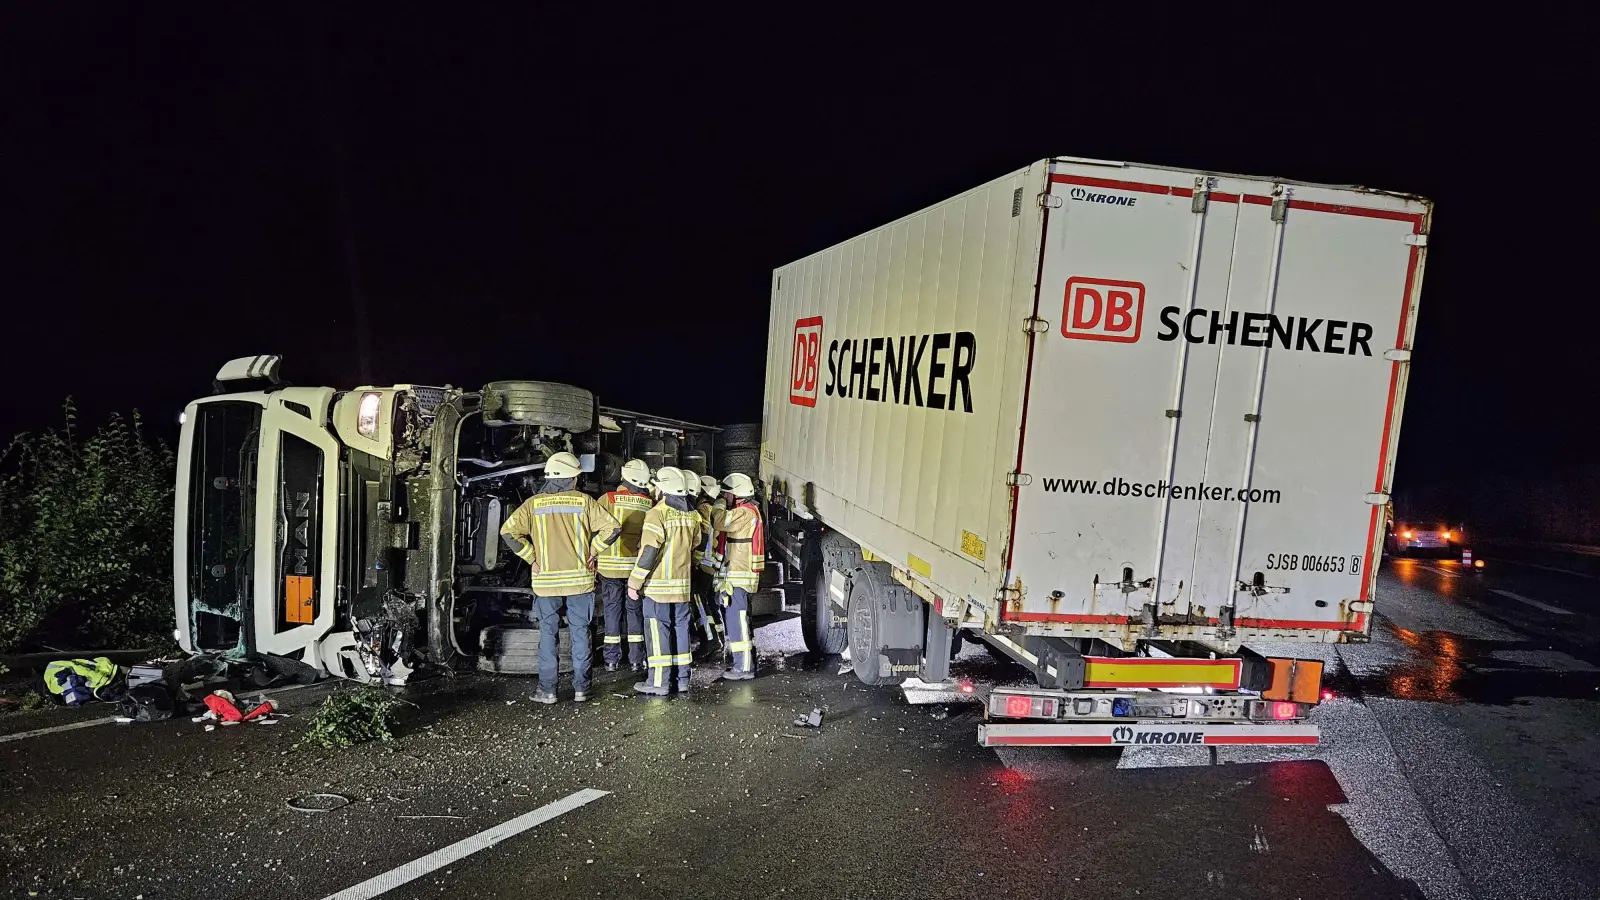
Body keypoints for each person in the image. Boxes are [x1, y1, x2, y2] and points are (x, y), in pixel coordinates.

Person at [500, 451, 622, 704]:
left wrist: (531, 556)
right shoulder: (584, 502)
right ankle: (582, 689)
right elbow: (613, 528)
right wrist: (594, 549)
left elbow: (508, 532)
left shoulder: (532, 504)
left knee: (548, 636)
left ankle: (547, 690)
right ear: (571, 479)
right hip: (579, 581)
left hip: (546, 582)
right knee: (580, 634)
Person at [628, 466, 704, 697]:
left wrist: (634, 582)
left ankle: (659, 682)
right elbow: (695, 544)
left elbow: (649, 551)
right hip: (682, 588)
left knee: (658, 631)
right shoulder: (692, 515)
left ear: (664, 488)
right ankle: (682, 680)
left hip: (658, 588)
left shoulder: (657, 513)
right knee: (681, 631)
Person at [596, 459, 654, 673]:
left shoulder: (608, 499)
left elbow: (596, 529)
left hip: (609, 568)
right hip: (635, 570)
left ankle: (611, 660)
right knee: (634, 612)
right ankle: (636, 659)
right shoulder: (649, 504)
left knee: (612, 611)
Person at [713, 472, 765, 680]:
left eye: (727, 494)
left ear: (737, 494)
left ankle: (743, 667)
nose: (725, 497)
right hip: (739, 572)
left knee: (738, 620)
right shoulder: (748, 511)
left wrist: (717, 505)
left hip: (740, 574)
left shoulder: (745, 512)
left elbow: (720, 522)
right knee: (739, 619)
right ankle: (745, 663)